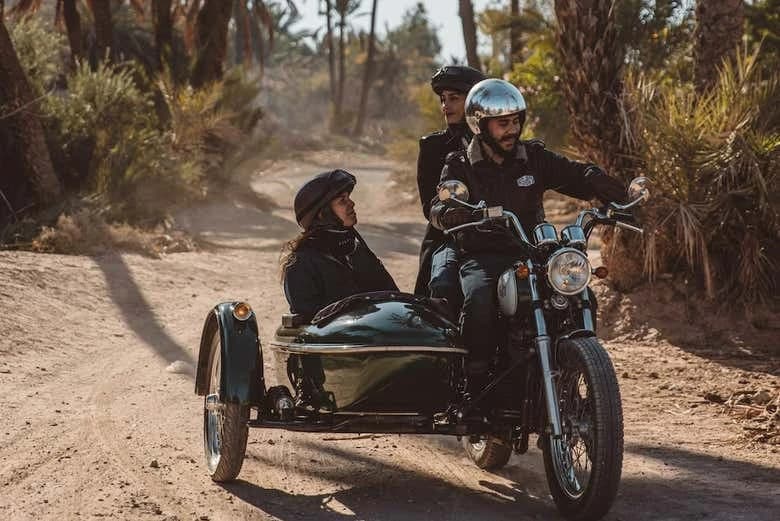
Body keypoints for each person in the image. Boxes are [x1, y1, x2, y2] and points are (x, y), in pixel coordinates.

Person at [430, 79, 627, 392]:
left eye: (516, 121)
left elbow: (574, 175)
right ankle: (475, 384)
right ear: (480, 125)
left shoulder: (533, 157)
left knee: (581, 297)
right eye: (503, 124)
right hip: (484, 256)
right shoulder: (460, 164)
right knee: (479, 299)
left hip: (532, 253)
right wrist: (449, 211)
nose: (512, 130)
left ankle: (573, 378)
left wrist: (602, 184)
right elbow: (439, 204)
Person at [414, 65, 486, 311]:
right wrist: (450, 214)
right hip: (447, 236)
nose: (446, 105)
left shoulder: (499, 142)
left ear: (474, 101)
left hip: (497, 233)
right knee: (438, 291)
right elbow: (429, 205)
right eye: (443, 99)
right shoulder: (432, 146)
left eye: (454, 98)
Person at [281, 169, 398, 320]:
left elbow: (393, 298)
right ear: (323, 214)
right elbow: (309, 322)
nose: (352, 203)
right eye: (342, 201)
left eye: (349, 198)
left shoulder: (357, 251)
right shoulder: (302, 262)